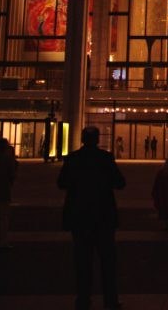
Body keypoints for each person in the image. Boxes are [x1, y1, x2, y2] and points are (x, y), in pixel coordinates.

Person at [58, 125, 127, 310]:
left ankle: (83, 299)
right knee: (107, 262)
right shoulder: (105, 158)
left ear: (82, 139)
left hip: (79, 216)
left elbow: (61, 183)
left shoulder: (73, 158)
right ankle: (110, 300)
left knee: (82, 261)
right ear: (97, 139)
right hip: (103, 216)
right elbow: (120, 182)